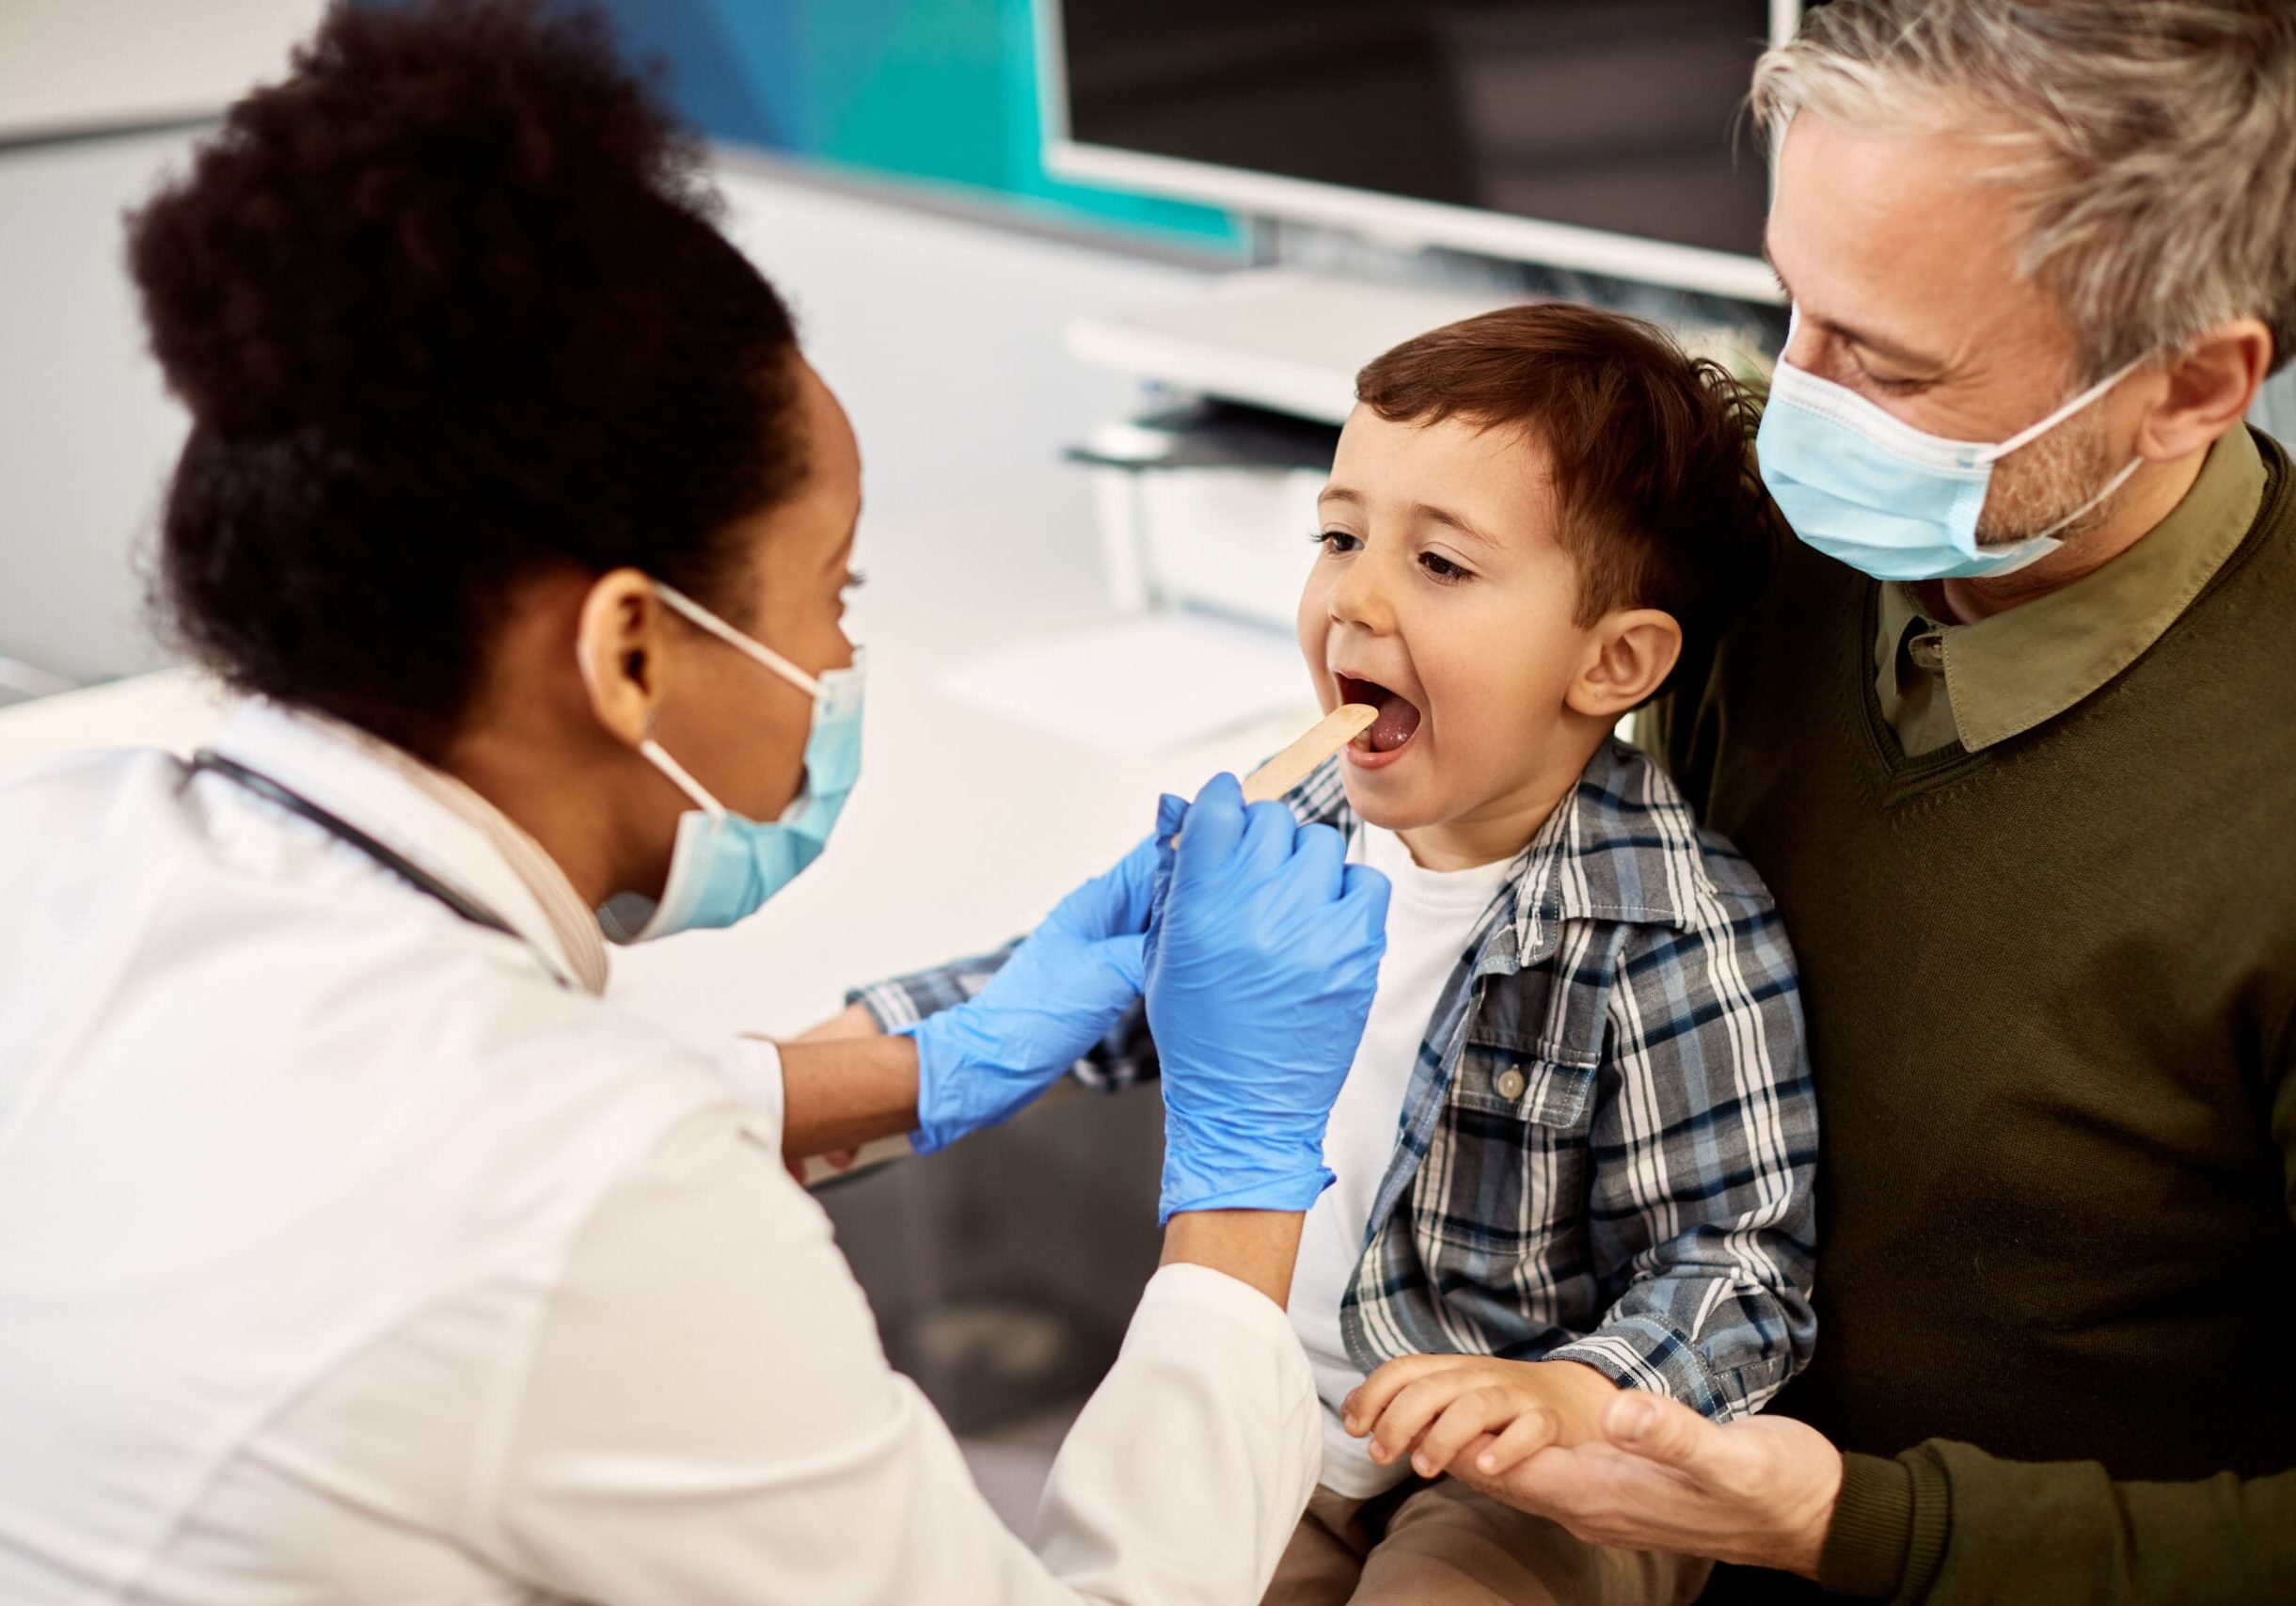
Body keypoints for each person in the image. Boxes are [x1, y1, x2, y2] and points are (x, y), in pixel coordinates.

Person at [0, 5, 1397, 1602]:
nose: (844, 656)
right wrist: (1237, 1185)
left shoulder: (55, 835)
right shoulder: (596, 1208)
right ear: (631, 651)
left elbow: (375, 1137)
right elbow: (544, 1190)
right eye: (831, 591)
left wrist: (915, 1066)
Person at [1422, 4, 2296, 1601]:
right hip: (1601, 1443)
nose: (1793, 400)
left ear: (2190, 385)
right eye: (1787, 307)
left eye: (1885, 360)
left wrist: (1843, 1528)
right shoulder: (1747, 535)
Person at [848, 304, 1821, 1606]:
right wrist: (851, 1056)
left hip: (1530, 1473)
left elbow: (1741, 1268)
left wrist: (1571, 1394)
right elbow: (1059, 988)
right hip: (1289, 1415)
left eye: (1441, 566)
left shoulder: (1674, 930)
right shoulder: (1281, 831)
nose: (1354, 597)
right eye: (1340, 535)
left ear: (1614, 662)